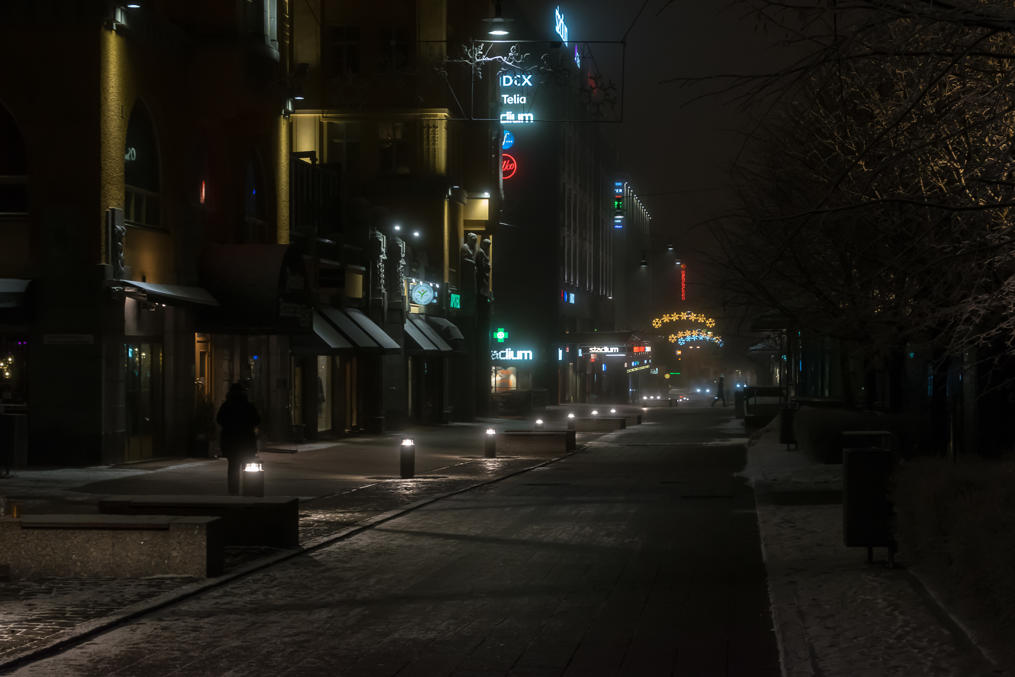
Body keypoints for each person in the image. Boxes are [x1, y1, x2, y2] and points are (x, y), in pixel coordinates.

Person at [216, 382, 260, 495]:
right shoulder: (248, 406)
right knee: (248, 468)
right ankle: (249, 490)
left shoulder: (226, 405)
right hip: (246, 442)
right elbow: (257, 420)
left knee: (233, 468)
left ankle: (233, 492)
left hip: (231, 443)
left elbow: (219, 420)